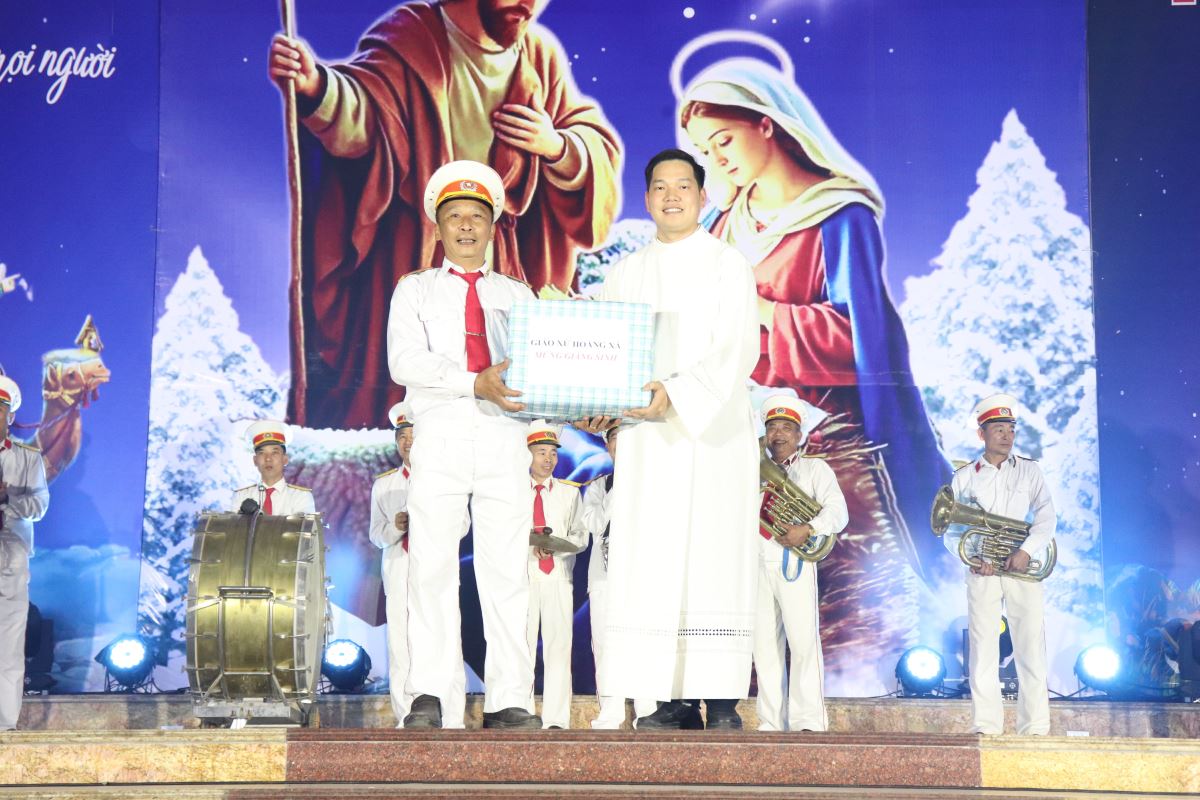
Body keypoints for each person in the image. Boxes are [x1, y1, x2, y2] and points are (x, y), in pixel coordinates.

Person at [678, 56, 952, 680]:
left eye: (723, 140)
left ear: (766, 123)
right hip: (742, 441)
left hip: (831, 447)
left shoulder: (839, 216)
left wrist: (764, 312)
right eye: (703, 150)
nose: (715, 160)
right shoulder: (723, 224)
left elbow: (866, 342)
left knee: (840, 608)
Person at [267, 0, 622, 428]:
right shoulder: (413, 36)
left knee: (507, 394)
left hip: (505, 260)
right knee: (420, 387)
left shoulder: (538, 55)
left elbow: (592, 143)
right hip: (419, 249)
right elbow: (368, 114)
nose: (528, 4)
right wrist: (317, 87)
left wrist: (557, 147)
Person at [581, 148, 760, 730]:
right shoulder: (625, 272)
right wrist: (596, 405)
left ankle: (723, 700)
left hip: (713, 436)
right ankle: (668, 699)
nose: (672, 195)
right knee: (651, 560)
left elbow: (736, 348)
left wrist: (676, 393)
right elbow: (605, 354)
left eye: (684, 185)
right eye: (660, 186)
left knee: (714, 558)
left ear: (703, 197)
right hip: (647, 440)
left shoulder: (727, 264)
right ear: (647, 198)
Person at [387, 159, 540, 730]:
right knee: (431, 567)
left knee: (507, 571)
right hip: (442, 435)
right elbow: (405, 361)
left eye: (477, 216)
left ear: (493, 226)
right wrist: (473, 382)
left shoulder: (520, 295)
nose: (467, 226)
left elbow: (541, 370)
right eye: (455, 217)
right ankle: (431, 695)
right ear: (439, 227)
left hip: (505, 437)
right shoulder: (415, 290)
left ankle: (509, 699)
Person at [948, 393, 1055, 736]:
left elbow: (1047, 517)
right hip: (984, 571)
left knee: (1030, 647)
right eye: (998, 429)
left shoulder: (1030, 470)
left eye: (1010, 429)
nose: (1007, 435)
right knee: (983, 648)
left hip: (1022, 568)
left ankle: (1035, 727)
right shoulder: (964, 476)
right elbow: (952, 529)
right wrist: (972, 557)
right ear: (981, 434)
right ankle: (986, 725)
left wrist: (1027, 550)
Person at [754, 395, 848, 732]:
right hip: (755, 564)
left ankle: (808, 721)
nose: (778, 434)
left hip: (793, 561)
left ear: (799, 435)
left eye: (786, 428)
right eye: (772, 427)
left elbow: (838, 512)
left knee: (803, 643)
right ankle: (770, 721)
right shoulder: (750, 470)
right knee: (764, 647)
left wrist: (807, 529)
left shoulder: (815, 469)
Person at [580, 424, 656, 729]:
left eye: (626, 439)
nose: (620, 445)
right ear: (607, 445)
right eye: (614, 438)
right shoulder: (598, 486)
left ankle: (647, 712)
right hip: (604, 576)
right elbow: (595, 523)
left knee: (644, 642)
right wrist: (618, 488)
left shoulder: (651, 481)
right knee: (605, 646)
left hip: (642, 575)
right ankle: (610, 714)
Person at [523, 421, 586, 729]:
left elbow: (580, 536)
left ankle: (556, 720)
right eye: (541, 452)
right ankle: (521, 712)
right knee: (520, 649)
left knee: (558, 649)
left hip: (558, 577)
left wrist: (556, 547)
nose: (548, 459)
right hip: (522, 578)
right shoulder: (512, 492)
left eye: (552, 453)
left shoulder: (569, 493)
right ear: (527, 455)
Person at [0, 376, 49, 731]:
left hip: (10, 561)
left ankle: (3, 724)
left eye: (0, 410)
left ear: (10, 416)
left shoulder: (28, 458)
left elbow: (39, 505)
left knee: (9, 644)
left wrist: (8, 498)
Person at [231, 421, 316, 515]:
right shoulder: (241, 496)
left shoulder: (301, 496)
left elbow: (303, 524)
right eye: (262, 453)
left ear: (285, 459)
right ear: (255, 460)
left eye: (274, 453)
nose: (268, 459)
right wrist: (242, 515)